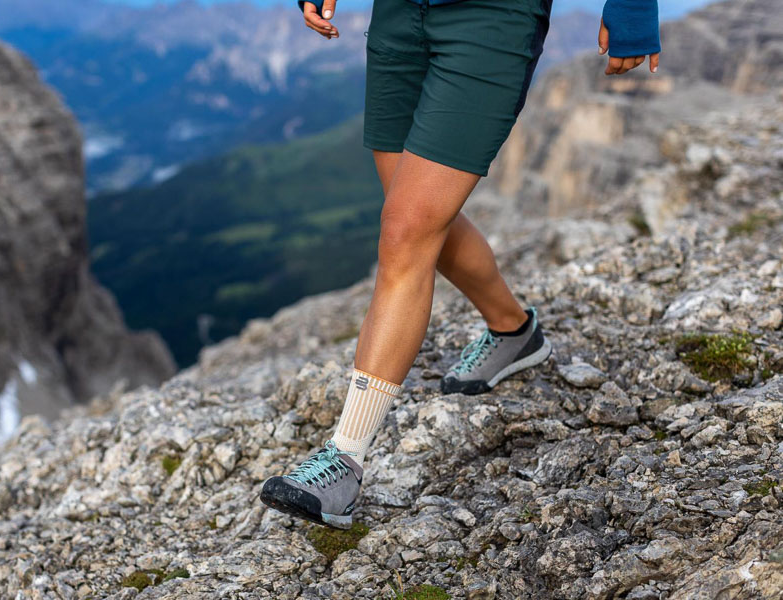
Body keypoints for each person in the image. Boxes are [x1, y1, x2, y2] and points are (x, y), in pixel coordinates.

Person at [260, 0, 661, 529]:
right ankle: (514, 330)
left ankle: (345, 460)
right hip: (399, 13)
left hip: (493, 17)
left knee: (405, 230)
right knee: (415, 217)